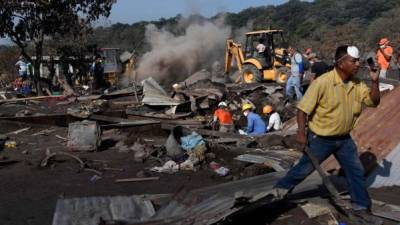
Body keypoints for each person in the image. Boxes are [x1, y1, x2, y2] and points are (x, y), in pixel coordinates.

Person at [272, 45, 381, 222]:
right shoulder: (322, 83)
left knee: (355, 171)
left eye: (358, 61)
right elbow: (302, 110)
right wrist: (301, 133)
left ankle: (361, 206)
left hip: (344, 140)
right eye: (353, 61)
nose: (357, 64)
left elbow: (374, 102)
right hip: (322, 139)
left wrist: (375, 81)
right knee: (303, 169)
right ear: (341, 63)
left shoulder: (357, 84)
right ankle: (279, 191)